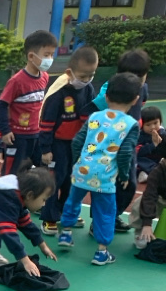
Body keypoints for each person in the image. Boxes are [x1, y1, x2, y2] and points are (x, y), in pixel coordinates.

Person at [58, 71, 142, 266]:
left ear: (107, 96)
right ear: (135, 99)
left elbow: (77, 142)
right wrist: (124, 175)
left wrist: (78, 162)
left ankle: (66, 233)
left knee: (73, 201)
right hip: (105, 177)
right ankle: (101, 252)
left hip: (82, 170)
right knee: (105, 212)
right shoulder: (130, 124)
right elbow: (125, 154)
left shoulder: (95, 116)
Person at [37, 44, 98, 235]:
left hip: (77, 145)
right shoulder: (58, 94)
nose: (86, 80)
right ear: (69, 72)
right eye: (82, 76)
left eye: (91, 75)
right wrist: (46, 149)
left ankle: (65, 211)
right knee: (55, 179)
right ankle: (49, 217)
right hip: (57, 145)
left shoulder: (88, 89)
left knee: (72, 180)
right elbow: (46, 123)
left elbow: (91, 116)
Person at [91, 48, 150, 232]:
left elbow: (139, 110)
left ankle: (113, 215)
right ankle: (98, 221)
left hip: (129, 146)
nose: (136, 81)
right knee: (105, 183)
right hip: (109, 146)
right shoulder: (110, 88)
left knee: (129, 184)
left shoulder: (143, 89)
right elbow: (93, 109)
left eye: (140, 76)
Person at [0, 29, 59, 175]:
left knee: (40, 170)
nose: (50, 59)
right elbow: (2, 106)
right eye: (46, 55)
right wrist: (5, 131)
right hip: (18, 136)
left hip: (36, 134)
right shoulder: (17, 81)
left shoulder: (44, 77)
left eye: (52, 54)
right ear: (31, 56)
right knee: (13, 171)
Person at [126, 158, 166, 250]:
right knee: (140, 202)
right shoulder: (156, 172)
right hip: (162, 200)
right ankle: (141, 232)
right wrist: (147, 224)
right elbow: (149, 197)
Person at [136, 106, 164, 182]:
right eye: (148, 125)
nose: (152, 127)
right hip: (147, 161)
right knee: (137, 159)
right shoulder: (140, 136)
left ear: (160, 121)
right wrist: (153, 145)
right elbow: (139, 152)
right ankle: (144, 174)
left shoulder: (162, 132)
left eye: (155, 123)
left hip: (158, 159)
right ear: (142, 126)